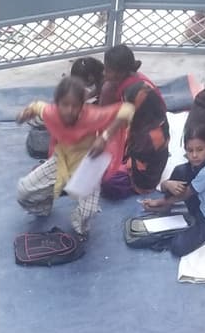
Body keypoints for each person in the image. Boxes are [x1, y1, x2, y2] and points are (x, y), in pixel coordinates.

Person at [15, 75, 134, 238]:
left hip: (88, 164)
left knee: (87, 212)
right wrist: (26, 112)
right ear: (57, 103)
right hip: (62, 161)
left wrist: (104, 137)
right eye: (65, 105)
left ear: (82, 106)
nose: (69, 111)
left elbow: (127, 109)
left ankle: (78, 226)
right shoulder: (51, 113)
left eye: (75, 106)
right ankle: (44, 206)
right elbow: (37, 107)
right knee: (24, 191)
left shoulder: (91, 116)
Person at [139, 124, 205, 256]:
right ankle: (168, 208)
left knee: (178, 247)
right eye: (190, 150)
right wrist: (167, 185)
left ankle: (169, 214)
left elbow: (184, 195)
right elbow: (183, 189)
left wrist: (163, 193)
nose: (194, 155)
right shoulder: (199, 165)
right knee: (180, 171)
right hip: (201, 205)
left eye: (200, 150)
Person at [96, 44, 171, 199]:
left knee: (109, 183)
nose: (104, 73)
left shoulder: (134, 91)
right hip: (140, 134)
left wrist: (104, 139)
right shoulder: (132, 81)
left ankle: (132, 180)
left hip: (149, 148)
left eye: (108, 70)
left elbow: (122, 120)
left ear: (120, 72)